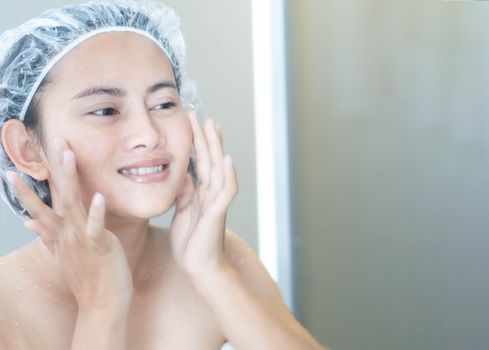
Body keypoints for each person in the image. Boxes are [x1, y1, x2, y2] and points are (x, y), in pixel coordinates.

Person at [0, 0, 325, 349]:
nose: (149, 134)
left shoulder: (219, 255)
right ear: (27, 149)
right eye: (106, 110)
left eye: (164, 104)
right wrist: (102, 305)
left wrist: (211, 271)